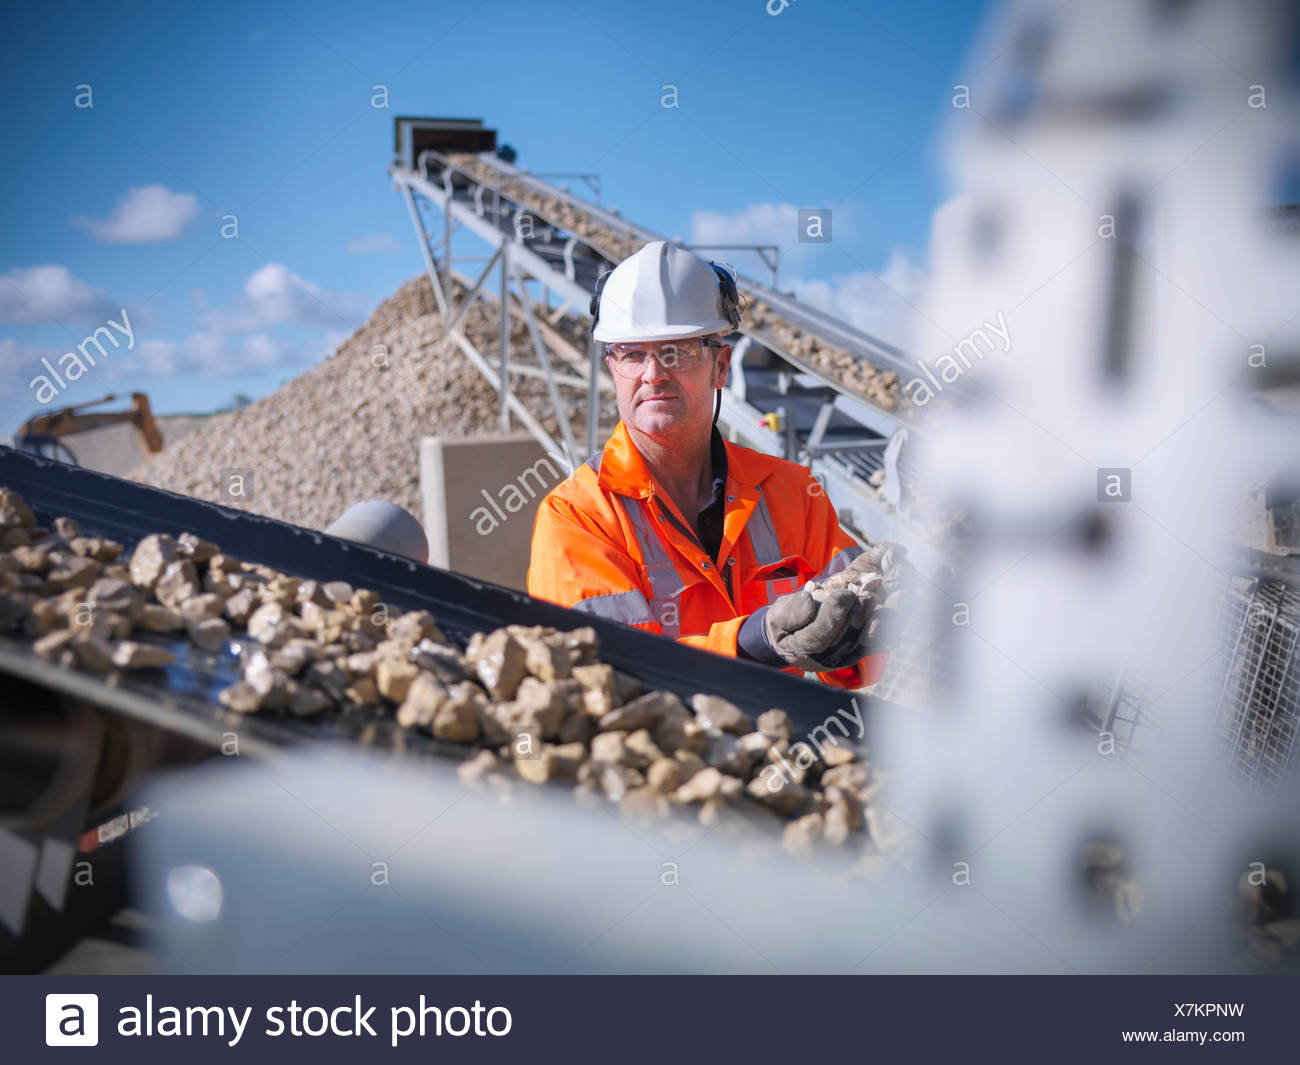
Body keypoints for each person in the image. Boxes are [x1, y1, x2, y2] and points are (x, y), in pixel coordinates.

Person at [526, 241, 907, 689]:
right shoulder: (577, 517)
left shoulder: (793, 493)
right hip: (657, 755)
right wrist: (752, 641)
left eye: (678, 351)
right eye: (632, 354)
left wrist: (890, 611)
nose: (653, 374)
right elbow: (604, 677)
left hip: (783, 741)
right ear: (612, 367)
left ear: (720, 365)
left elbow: (857, 662)